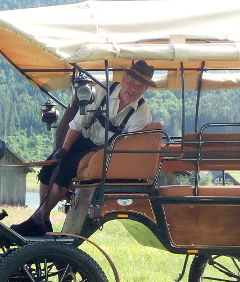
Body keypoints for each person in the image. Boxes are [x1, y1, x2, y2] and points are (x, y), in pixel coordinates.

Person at [17, 60, 157, 235]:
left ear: (145, 89)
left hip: (106, 152)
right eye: (131, 82)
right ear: (124, 78)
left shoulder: (141, 112)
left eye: (140, 85)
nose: (133, 88)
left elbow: (127, 145)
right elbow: (78, 123)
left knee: (66, 170)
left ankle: (38, 219)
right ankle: (42, 218)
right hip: (83, 139)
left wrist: (100, 156)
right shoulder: (102, 91)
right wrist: (64, 149)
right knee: (49, 166)